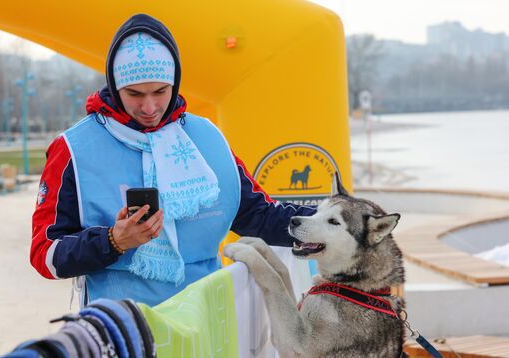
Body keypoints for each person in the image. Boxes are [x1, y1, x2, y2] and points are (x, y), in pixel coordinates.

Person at [31, 13, 316, 306]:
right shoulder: (73, 149)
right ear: (115, 87)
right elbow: (45, 254)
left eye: (160, 91)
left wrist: (334, 223)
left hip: (206, 320)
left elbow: (258, 215)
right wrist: (113, 241)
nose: (150, 107)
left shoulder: (207, 137)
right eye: (134, 94)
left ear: (175, 83)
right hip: (123, 327)